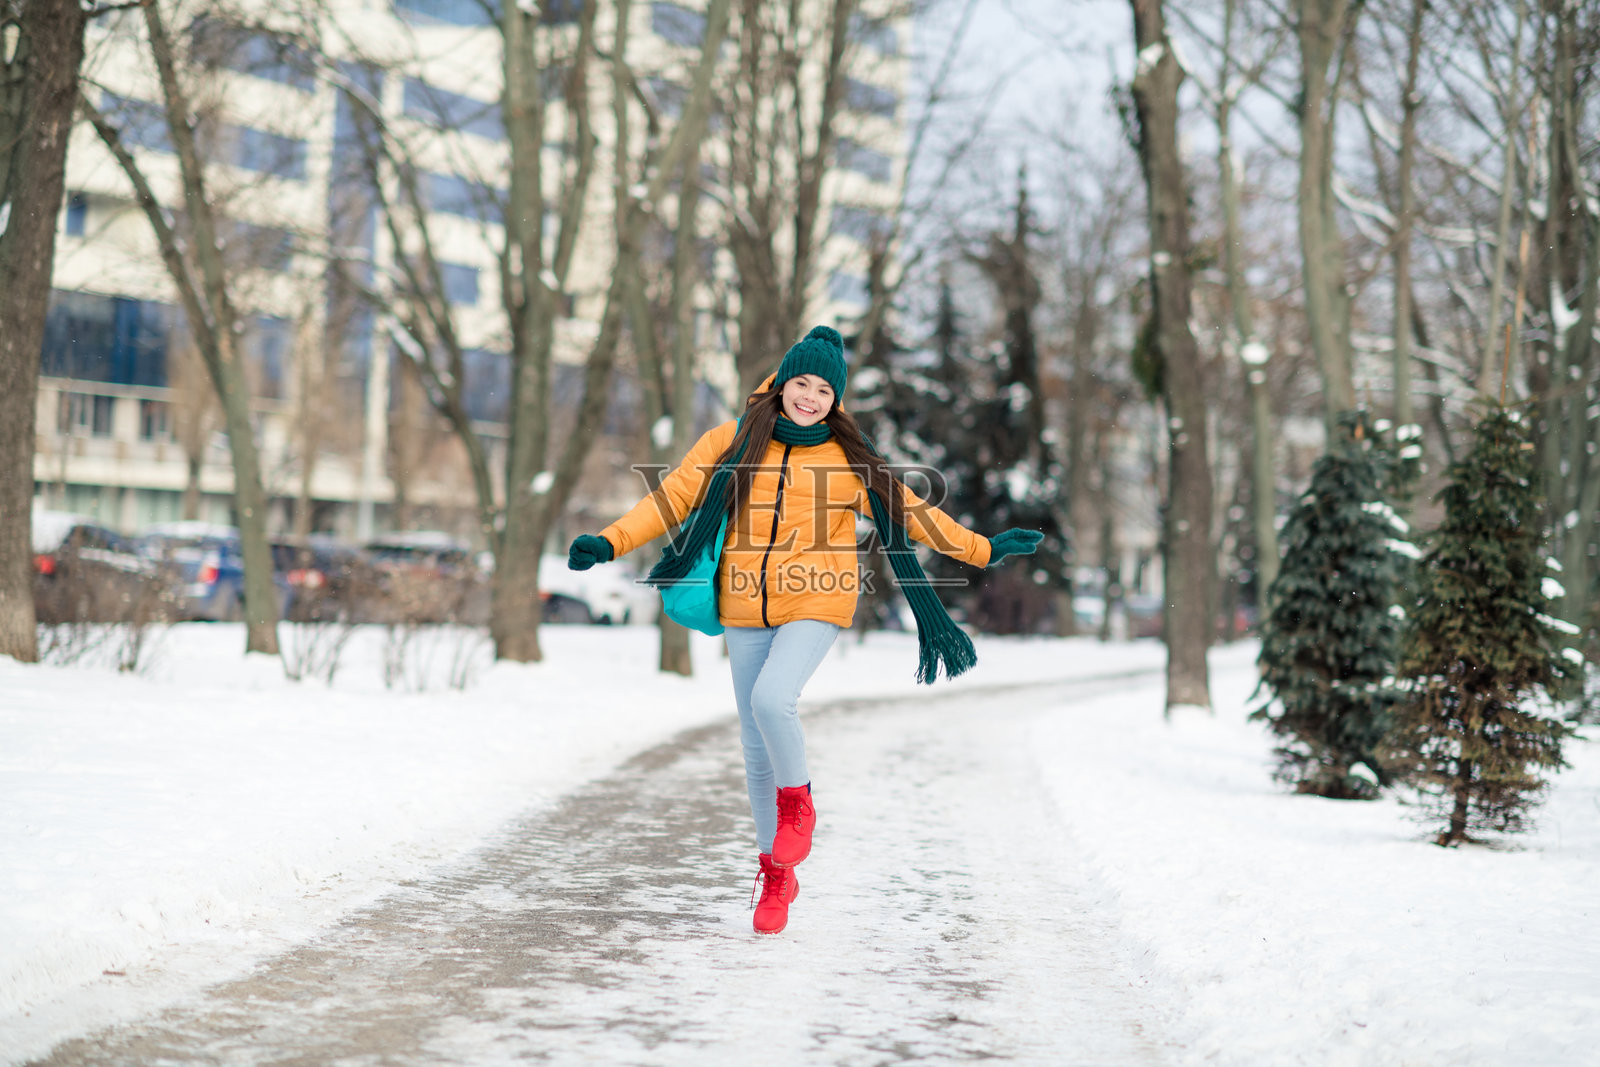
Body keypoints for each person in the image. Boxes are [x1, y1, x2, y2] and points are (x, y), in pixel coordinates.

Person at [567, 325, 1042, 935]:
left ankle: (799, 806)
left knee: (773, 700)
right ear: (781, 383)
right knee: (754, 743)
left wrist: (981, 550)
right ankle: (776, 872)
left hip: (820, 600)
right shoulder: (732, 440)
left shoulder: (849, 460)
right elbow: (671, 499)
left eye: (824, 389)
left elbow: (913, 514)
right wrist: (608, 541)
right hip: (743, 604)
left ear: (835, 399)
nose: (811, 397)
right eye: (802, 383)